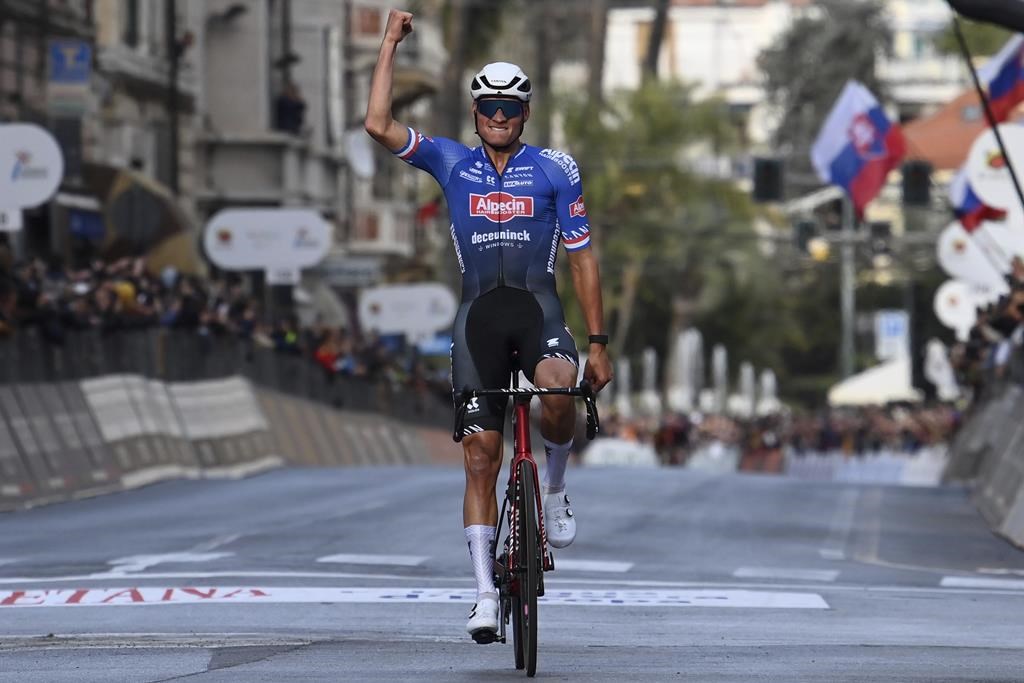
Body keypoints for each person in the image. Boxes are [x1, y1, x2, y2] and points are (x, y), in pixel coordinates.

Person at [365, 9, 613, 643]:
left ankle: (553, 489)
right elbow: (377, 124)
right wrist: (389, 42)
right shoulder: (450, 161)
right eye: (488, 108)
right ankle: (481, 594)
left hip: (538, 309)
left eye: (509, 108)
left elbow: (583, 257)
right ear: (475, 112)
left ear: (525, 113)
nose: (498, 118)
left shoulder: (557, 168)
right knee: (480, 457)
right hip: (478, 316)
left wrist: (600, 343)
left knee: (559, 394)